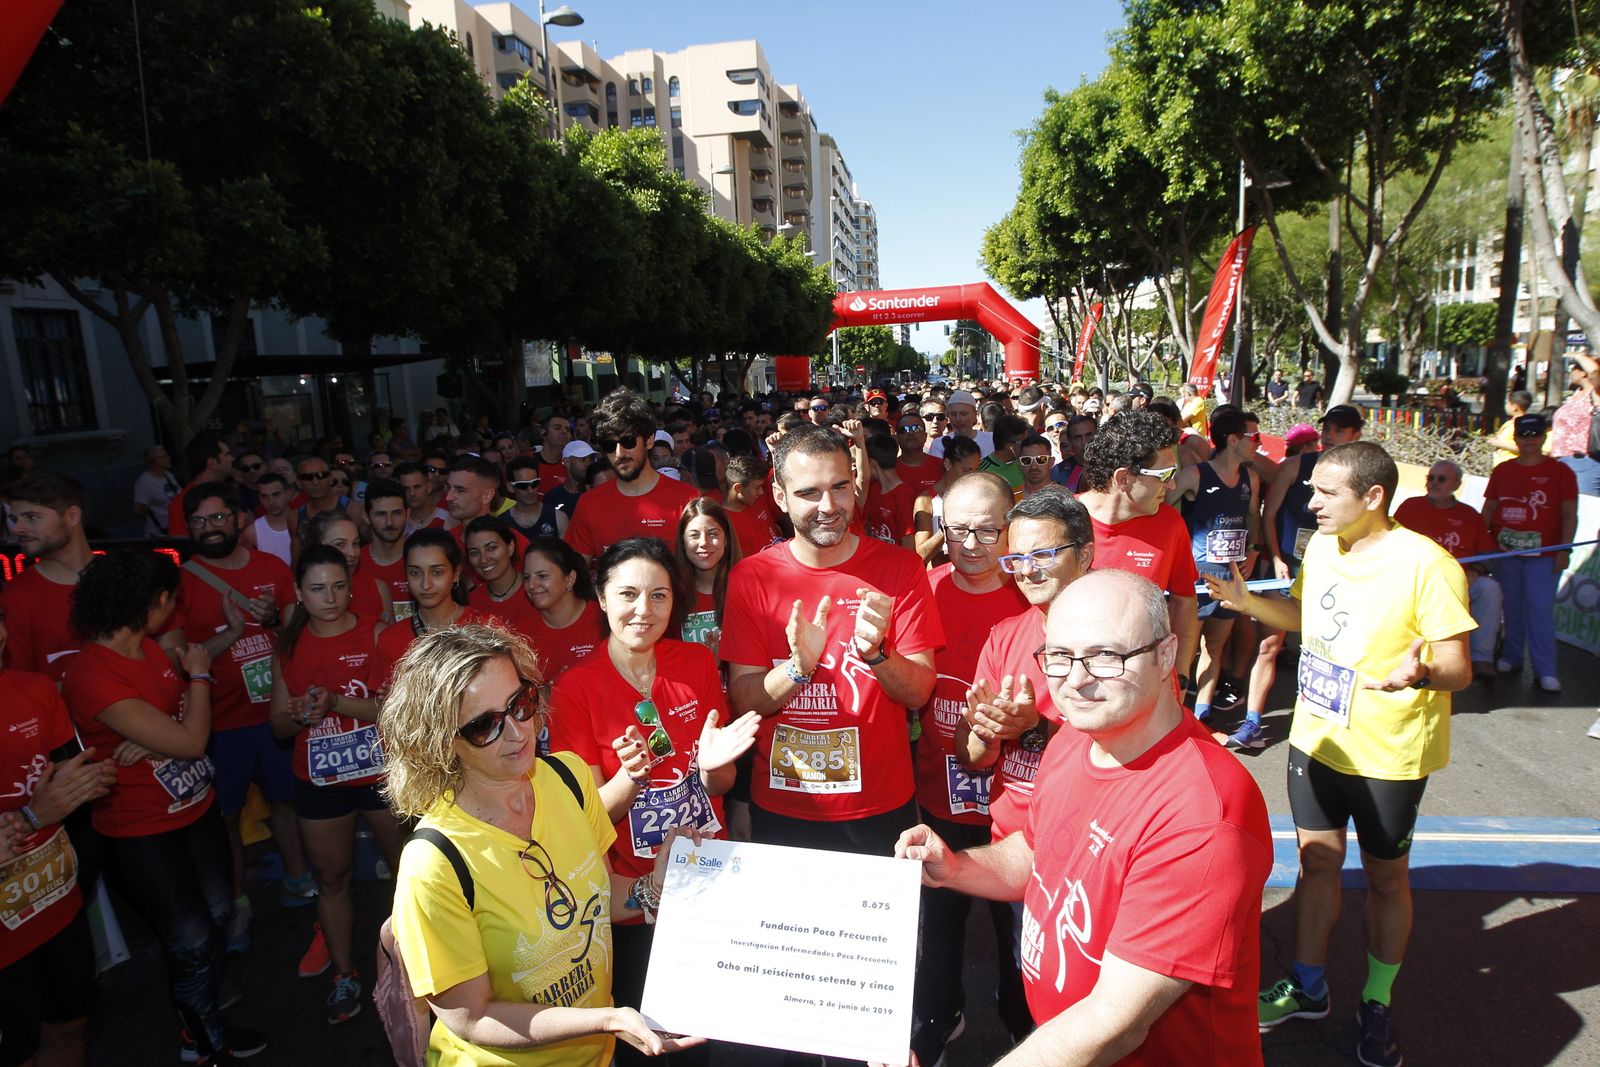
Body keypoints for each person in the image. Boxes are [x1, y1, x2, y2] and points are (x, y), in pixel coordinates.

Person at [896, 570, 1272, 1066]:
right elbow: (1037, 850)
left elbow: (1114, 1023)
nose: (1076, 679)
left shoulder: (1203, 813)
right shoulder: (1077, 739)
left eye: (1106, 656)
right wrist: (958, 867)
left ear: (1165, 656)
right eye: (1059, 656)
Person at [1206, 442, 1474, 1067]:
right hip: (1316, 738)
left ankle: (1377, 1003)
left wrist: (1420, 674)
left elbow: (1458, 668)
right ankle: (1308, 986)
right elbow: (1303, 614)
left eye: (1327, 493)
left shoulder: (1428, 565)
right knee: (1316, 863)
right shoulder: (1322, 546)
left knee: (1385, 879)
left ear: (1373, 496)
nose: (1311, 502)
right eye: (1313, 490)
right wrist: (1249, 603)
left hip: (1389, 752)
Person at [384, 624, 708, 1066]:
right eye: (484, 726)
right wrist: (608, 1021)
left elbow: (592, 898)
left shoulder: (568, 778)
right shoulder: (433, 863)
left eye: (520, 704)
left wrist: (652, 885)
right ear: (441, 742)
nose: (518, 732)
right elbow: (471, 1018)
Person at [548, 539, 759, 1065]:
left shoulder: (694, 663)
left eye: (659, 596)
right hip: (635, 898)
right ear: (599, 597)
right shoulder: (575, 689)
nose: (644, 610)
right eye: (628, 594)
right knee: (652, 1043)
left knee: (711, 1034)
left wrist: (713, 768)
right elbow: (585, 819)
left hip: (709, 876)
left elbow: (719, 785)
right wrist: (630, 778)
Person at [62, 550, 268, 1065]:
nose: (174, 609)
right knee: (190, 939)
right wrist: (195, 687)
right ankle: (203, 1043)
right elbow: (194, 738)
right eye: (170, 600)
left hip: (195, 812)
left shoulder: (149, 650)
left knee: (218, 915)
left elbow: (178, 718)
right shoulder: (91, 673)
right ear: (153, 603)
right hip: (141, 832)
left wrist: (162, 731)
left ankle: (203, 1017)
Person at [721, 424, 942, 871]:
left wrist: (878, 652)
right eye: (809, 493)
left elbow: (919, 692)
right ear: (780, 498)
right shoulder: (751, 577)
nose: (828, 506)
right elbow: (743, 698)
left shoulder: (901, 569)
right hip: (785, 809)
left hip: (880, 809)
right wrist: (797, 668)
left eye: (840, 487)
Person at [908, 473, 1033, 1062]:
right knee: (939, 921)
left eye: (988, 529)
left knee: (1021, 934)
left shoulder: (1034, 596)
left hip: (1018, 805)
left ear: (1011, 529)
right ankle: (938, 1014)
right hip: (940, 794)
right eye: (958, 529)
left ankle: (1023, 1022)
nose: (973, 543)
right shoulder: (922, 591)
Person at [156, 485, 307, 954]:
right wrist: (233, 634)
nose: (209, 528)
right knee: (227, 818)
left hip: (275, 716)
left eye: (217, 518)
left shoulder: (272, 569)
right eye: (198, 522)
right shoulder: (179, 584)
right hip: (220, 725)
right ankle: (237, 902)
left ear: (239, 519)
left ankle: (298, 880)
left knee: (287, 803)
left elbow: (301, 636)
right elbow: (176, 663)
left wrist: (276, 623)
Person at [268, 544, 402, 1025]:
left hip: (381, 774)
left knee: (406, 872)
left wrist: (336, 704)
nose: (331, 598)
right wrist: (299, 713)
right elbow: (278, 727)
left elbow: (393, 709)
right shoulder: (287, 645)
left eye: (339, 586)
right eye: (318, 589)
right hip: (320, 781)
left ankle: (416, 968)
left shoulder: (377, 633)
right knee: (331, 879)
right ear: (300, 594)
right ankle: (344, 974)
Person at [0, 600, 119, 1067]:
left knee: (70, 1027)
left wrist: (92, 779)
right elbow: (42, 807)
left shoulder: (34, 689)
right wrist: (34, 816)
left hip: (56, 906)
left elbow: (70, 774)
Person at [1074, 412, 1200, 696]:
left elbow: (1184, 603)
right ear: (1123, 478)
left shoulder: (1170, 524)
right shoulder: (1059, 521)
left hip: (1141, 688)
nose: (1171, 486)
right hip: (1068, 684)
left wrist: (1179, 676)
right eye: (1164, 475)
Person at [1169, 408, 1262, 745]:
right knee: (1184, 651)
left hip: (1231, 578)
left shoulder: (1250, 480)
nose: (1259, 444)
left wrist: (1254, 549)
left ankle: (1202, 715)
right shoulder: (1195, 475)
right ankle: (1173, 715)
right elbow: (1161, 507)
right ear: (1233, 439)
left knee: (1215, 648)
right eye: (1254, 437)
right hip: (1194, 581)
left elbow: (1253, 517)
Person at [1484, 415, 1578, 691]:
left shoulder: (1560, 472)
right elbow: (1489, 509)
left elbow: (1570, 514)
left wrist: (1564, 549)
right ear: (1515, 438)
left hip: (1545, 554)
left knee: (1539, 610)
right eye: (1524, 434)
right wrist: (1483, 544)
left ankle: (1545, 669)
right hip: (1506, 553)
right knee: (1510, 607)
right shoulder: (1503, 471)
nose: (1529, 439)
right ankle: (1512, 656)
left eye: (1535, 434)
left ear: (1543, 437)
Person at [1395, 461, 1503, 676]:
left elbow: (1488, 554)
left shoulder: (1470, 516)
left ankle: (1482, 658)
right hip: (1417, 580)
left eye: (1441, 479)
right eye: (1430, 478)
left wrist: (1477, 570)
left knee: (1490, 589)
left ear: (1457, 484)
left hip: (1460, 581)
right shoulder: (1410, 507)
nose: (1433, 483)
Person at [568, 391, 698, 562]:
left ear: (649, 440)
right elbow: (573, 573)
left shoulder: (687, 499)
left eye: (628, 441)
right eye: (609, 444)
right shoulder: (589, 504)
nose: (619, 452)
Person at [0, 474, 94, 682]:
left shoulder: (125, 578)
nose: (17, 529)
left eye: (32, 517)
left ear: (72, 516)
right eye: (15, 519)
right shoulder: (15, 596)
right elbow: (20, 685)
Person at [369, 529, 489, 689]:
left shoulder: (485, 629)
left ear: (456, 573)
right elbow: (380, 706)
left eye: (437, 572)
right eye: (415, 573)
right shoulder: (390, 640)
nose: (426, 584)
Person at [521, 537, 606, 684]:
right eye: (527, 577)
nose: (532, 585)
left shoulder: (605, 619)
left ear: (570, 578)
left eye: (542, 576)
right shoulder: (521, 633)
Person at [299, 510, 394, 624]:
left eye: (355, 544)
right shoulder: (301, 595)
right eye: (340, 544)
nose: (352, 553)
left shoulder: (378, 589)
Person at [676, 498, 740, 651]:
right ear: (683, 543)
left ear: (726, 540)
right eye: (694, 535)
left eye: (713, 534)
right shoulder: (671, 594)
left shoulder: (746, 591)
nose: (704, 542)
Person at [911, 435, 983, 565]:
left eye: (976, 470)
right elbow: (921, 556)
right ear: (948, 464)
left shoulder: (978, 498)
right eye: (967, 470)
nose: (972, 476)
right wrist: (946, 528)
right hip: (939, 576)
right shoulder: (926, 500)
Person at [465, 516, 541, 633]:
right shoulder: (470, 603)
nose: (484, 559)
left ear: (510, 547)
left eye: (491, 548)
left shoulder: (538, 591)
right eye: (474, 553)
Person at [359, 479, 413, 619]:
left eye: (397, 513)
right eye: (381, 514)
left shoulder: (422, 559)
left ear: (407, 514)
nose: (389, 522)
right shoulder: (354, 563)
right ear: (366, 516)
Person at [1548, 352, 1600, 495]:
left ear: (1583, 372)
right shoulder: (1577, 395)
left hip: (1584, 461)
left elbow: (1594, 371)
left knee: (1583, 508)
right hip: (1563, 460)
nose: (1571, 372)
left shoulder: (1595, 394)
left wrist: (1579, 356)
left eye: (1573, 368)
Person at [167, 434, 237, 537]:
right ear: (212, 462)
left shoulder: (229, 491)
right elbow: (181, 545)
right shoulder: (181, 504)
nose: (232, 458)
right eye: (227, 455)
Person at [862, 433, 918, 549]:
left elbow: (908, 542)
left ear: (871, 463)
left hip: (897, 563)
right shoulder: (873, 489)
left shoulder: (904, 496)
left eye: (863, 462)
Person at [721, 454, 782, 558]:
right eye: (757, 487)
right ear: (738, 488)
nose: (762, 492)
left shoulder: (758, 500)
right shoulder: (723, 522)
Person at [503, 456, 568, 542]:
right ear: (510, 487)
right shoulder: (502, 524)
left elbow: (567, 554)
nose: (530, 490)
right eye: (523, 485)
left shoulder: (558, 518)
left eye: (534, 483)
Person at [241, 471, 295, 565]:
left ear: (288, 494)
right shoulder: (251, 532)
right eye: (264, 496)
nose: (271, 502)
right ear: (259, 498)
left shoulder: (306, 521)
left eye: (276, 494)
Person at [926, 390, 994, 459]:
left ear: (974, 415)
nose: (958, 419)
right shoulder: (938, 445)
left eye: (963, 414)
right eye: (953, 414)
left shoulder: (992, 440)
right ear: (948, 416)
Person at [133, 445, 183, 538]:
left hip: (175, 529)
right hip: (160, 533)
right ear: (155, 460)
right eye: (165, 456)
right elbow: (138, 509)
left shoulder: (168, 475)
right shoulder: (145, 482)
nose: (169, 458)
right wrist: (155, 519)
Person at [893, 410, 943, 500]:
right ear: (897, 438)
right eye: (904, 429)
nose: (911, 433)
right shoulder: (889, 469)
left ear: (925, 436)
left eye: (917, 428)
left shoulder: (942, 467)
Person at [547, 440, 595, 519]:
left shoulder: (596, 494)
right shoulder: (552, 497)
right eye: (583, 459)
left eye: (590, 459)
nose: (588, 464)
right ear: (567, 462)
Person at [1049, 415, 1095, 491]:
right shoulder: (1059, 472)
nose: (1084, 442)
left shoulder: (1112, 466)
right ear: (1070, 442)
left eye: (1089, 435)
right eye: (1078, 437)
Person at [538, 415, 574, 489]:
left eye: (567, 429)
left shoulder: (572, 467)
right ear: (543, 433)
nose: (564, 432)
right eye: (557, 428)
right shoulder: (525, 462)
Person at [1016, 434, 1054, 499]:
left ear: (1051, 462)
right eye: (1026, 460)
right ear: (1020, 464)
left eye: (1041, 459)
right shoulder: (1010, 497)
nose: (1034, 466)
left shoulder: (1064, 498)